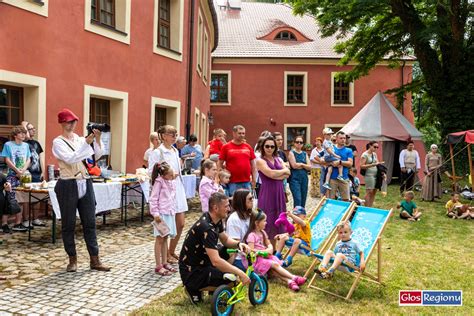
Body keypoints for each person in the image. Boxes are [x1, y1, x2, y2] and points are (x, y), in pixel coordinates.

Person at [52, 108, 110, 272]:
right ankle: (72, 259)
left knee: (90, 222)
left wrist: (97, 139)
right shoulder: (58, 142)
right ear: (63, 123)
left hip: (85, 181)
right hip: (68, 183)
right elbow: (71, 158)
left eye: (74, 121)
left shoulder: (79, 139)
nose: (72, 124)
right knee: (68, 224)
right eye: (69, 121)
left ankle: (95, 259)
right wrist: (86, 143)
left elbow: (96, 156)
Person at [179, 192, 251, 305]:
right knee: (232, 279)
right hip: (192, 271)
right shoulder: (207, 228)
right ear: (216, 208)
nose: (229, 208)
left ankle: (213, 284)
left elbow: (225, 240)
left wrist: (238, 244)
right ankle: (193, 288)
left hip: (202, 262)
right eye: (226, 206)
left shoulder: (214, 219)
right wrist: (240, 273)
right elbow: (216, 261)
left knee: (229, 251)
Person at [149, 125, 189, 264]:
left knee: (181, 223)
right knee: (168, 225)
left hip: (177, 188)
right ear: (163, 136)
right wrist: (167, 177)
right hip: (165, 191)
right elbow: (151, 172)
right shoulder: (158, 152)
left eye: (175, 133)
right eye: (171, 133)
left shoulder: (175, 150)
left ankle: (171, 251)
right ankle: (165, 256)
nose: (174, 136)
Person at [244, 209, 306, 291]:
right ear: (256, 223)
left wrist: (270, 248)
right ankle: (294, 278)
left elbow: (269, 244)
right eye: (264, 221)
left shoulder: (263, 233)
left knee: (273, 270)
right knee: (274, 265)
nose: (266, 223)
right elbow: (250, 250)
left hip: (265, 258)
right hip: (256, 260)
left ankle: (290, 282)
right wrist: (265, 251)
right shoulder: (251, 235)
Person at [255, 135, 290, 242]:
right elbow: (270, 174)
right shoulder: (260, 160)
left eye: (272, 146)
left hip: (279, 192)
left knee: (278, 217)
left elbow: (288, 173)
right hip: (267, 192)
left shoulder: (278, 159)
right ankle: (266, 246)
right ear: (262, 147)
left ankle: (275, 249)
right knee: (268, 219)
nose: (270, 148)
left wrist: (277, 174)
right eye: (267, 146)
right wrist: (281, 173)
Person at [149, 162, 178, 276]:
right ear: (164, 175)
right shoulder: (159, 182)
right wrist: (155, 213)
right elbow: (153, 199)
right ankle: (158, 265)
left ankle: (165, 262)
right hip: (161, 215)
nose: (172, 177)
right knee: (159, 239)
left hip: (169, 213)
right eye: (170, 175)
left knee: (166, 238)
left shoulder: (170, 182)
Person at [1, 125, 31, 232]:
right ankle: (4, 223)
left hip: (23, 175)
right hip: (11, 175)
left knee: (21, 199)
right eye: (21, 133)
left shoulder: (26, 145)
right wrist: (17, 171)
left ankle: (18, 223)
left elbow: (28, 159)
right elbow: (7, 160)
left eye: (24, 132)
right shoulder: (8, 145)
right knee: (9, 198)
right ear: (15, 135)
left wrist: (22, 170)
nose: (24, 135)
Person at [218, 125, 257, 196]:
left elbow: (253, 164)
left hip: (246, 181)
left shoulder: (248, 147)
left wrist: (254, 179)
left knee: (247, 203)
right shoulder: (226, 147)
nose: (242, 135)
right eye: (239, 133)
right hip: (232, 182)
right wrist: (219, 178)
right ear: (234, 133)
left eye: (243, 133)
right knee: (234, 203)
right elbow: (220, 163)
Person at [23, 121, 46, 227]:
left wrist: (43, 171)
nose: (34, 130)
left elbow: (40, 157)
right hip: (28, 173)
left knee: (37, 197)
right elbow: (24, 129)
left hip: (37, 174)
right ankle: (26, 220)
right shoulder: (24, 143)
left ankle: (35, 219)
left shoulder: (36, 143)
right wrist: (25, 125)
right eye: (31, 128)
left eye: (34, 128)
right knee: (26, 197)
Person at [226, 189, 253, 270]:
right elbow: (235, 246)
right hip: (240, 257)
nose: (253, 201)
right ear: (242, 201)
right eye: (250, 199)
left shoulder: (249, 215)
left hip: (251, 252)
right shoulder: (234, 219)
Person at [327, 131, 353, 201]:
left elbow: (350, 163)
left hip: (344, 177)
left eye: (344, 138)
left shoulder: (349, 150)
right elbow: (323, 160)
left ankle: (344, 212)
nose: (343, 140)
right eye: (341, 138)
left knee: (346, 200)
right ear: (337, 139)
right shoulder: (331, 149)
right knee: (331, 200)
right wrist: (332, 163)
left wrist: (340, 162)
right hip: (332, 178)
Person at [288, 136, 311, 208]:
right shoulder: (291, 153)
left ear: (303, 144)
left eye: (301, 142)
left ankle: (301, 217)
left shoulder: (304, 153)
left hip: (304, 178)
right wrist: (304, 165)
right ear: (294, 143)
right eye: (297, 142)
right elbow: (294, 165)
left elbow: (310, 167)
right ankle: (296, 217)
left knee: (303, 199)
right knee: (298, 199)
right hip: (294, 179)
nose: (299, 143)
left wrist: (301, 164)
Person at [360, 141, 384, 207]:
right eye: (374, 147)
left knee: (374, 191)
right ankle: (366, 207)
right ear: (370, 146)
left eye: (377, 147)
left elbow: (377, 163)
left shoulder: (374, 154)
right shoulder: (365, 155)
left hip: (376, 174)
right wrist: (372, 164)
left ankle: (370, 206)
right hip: (369, 175)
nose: (376, 148)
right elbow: (361, 166)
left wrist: (382, 172)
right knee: (369, 191)